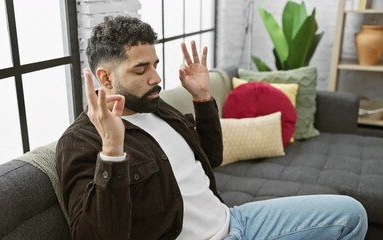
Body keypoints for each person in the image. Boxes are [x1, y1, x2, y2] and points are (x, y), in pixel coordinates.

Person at [56, 15, 368, 240]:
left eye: (155, 64)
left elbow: (212, 157)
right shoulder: (83, 141)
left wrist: (202, 97)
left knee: (351, 215)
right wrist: (112, 152)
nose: (156, 78)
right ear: (106, 78)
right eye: (141, 69)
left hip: (235, 219)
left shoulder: (157, 106)